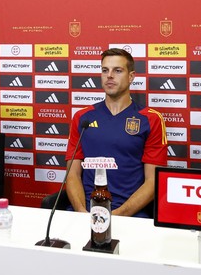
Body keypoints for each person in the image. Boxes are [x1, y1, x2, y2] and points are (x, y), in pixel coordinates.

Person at [64, 48, 168, 218]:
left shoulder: (151, 119)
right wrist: (82, 212)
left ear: (131, 76)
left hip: (131, 215)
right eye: (105, 70)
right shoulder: (82, 117)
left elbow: (153, 182)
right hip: (86, 213)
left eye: (117, 70)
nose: (109, 75)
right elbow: (72, 174)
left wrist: (116, 215)